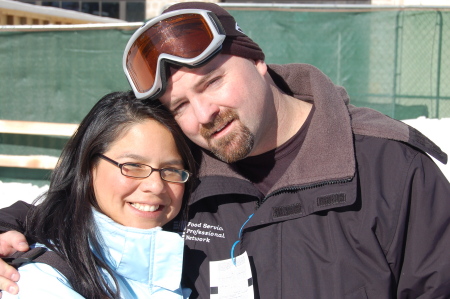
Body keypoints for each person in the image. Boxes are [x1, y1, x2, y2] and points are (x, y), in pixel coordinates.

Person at [0, 2, 449, 298]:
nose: (203, 114)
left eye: (212, 82)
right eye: (179, 105)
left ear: (256, 60)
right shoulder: (180, 173)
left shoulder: (389, 168)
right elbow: (76, 208)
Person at [0, 90, 195, 298]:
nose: (156, 186)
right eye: (133, 166)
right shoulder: (43, 281)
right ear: (88, 167)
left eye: (171, 170)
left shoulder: (191, 261)